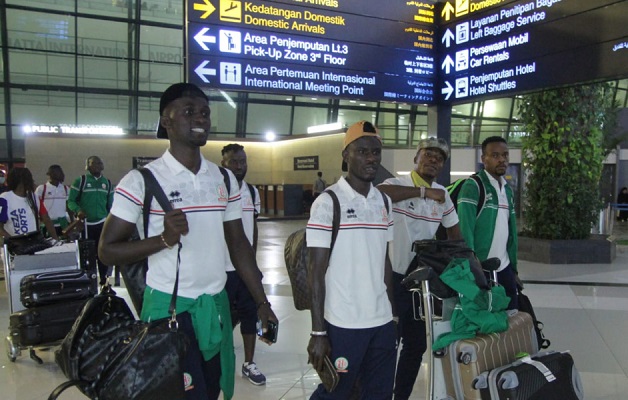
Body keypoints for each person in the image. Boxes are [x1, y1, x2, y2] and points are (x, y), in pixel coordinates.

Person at [98, 82, 277, 400]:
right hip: (168, 311)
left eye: (205, 112)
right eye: (189, 111)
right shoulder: (142, 181)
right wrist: (163, 239)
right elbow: (108, 251)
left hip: (214, 308)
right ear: (166, 121)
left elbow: (238, 246)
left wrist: (261, 301)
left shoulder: (223, 179)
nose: (201, 118)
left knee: (208, 392)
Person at [307, 121, 396, 399]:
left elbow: (385, 261)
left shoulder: (384, 201)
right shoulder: (328, 202)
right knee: (335, 392)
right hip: (343, 322)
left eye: (376, 152)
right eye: (362, 152)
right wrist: (318, 332)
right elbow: (315, 272)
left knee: (379, 393)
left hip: (380, 321)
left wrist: (392, 315)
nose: (371, 158)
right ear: (346, 155)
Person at [377, 137, 461, 400]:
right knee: (386, 342)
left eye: (439, 158)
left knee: (415, 345)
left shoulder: (444, 196)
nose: (434, 161)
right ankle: (375, 392)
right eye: (428, 155)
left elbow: (455, 236)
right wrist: (424, 192)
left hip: (418, 284)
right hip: (388, 278)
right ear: (416, 158)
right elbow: (379, 193)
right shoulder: (396, 184)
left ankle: (399, 395)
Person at [221, 143, 266, 386]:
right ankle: (221, 360)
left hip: (246, 269)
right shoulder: (217, 190)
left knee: (251, 315)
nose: (239, 166)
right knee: (224, 317)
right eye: (234, 162)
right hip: (223, 269)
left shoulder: (252, 192)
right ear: (223, 164)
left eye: (242, 161)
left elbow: (253, 227)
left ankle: (249, 363)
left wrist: (253, 261)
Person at [457, 136, 519, 309]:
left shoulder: (507, 189)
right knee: (486, 323)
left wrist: (513, 269)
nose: (502, 160)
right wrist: (472, 267)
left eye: (505, 155)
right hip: (481, 267)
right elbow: (465, 229)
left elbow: (510, 231)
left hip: (504, 267)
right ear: (483, 159)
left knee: (512, 318)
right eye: (495, 155)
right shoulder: (473, 186)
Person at [67, 156, 114, 286]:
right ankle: (88, 281)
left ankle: (105, 281)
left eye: (100, 162)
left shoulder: (108, 183)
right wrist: (78, 210)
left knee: (102, 253)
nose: (98, 165)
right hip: (86, 225)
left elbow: (111, 205)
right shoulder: (80, 181)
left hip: (102, 223)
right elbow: (71, 201)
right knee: (87, 254)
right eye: (94, 163)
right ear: (87, 166)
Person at [0, 167, 59, 240]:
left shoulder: (34, 197)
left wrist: (55, 238)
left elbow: (46, 219)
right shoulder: (4, 198)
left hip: (33, 243)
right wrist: (13, 241)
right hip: (15, 246)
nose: (32, 181)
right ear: (22, 181)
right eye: (29, 179)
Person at [35, 165, 73, 237]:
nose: (61, 174)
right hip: (47, 225)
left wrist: (72, 222)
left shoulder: (65, 189)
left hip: (63, 224)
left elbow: (69, 207)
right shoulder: (42, 189)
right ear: (51, 174)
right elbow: (37, 207)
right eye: (58, 172)